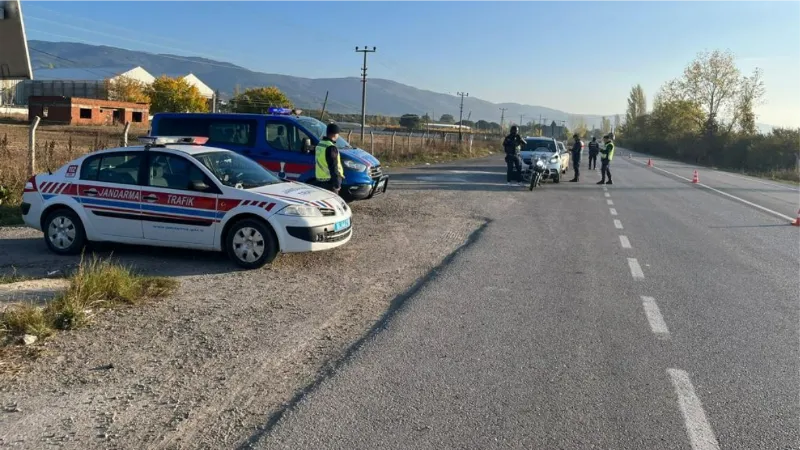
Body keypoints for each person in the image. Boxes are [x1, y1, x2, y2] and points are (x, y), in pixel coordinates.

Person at [315, 123, 344, 193]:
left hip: (320, 180)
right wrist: (337, 184)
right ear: (335, 134)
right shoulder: (331, 147)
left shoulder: (320, 144)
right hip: (330, 182)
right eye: (338, 133)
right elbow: (334, 166)